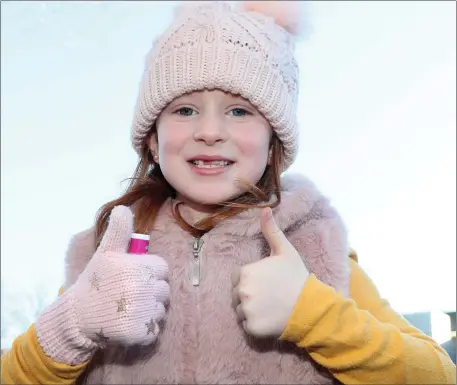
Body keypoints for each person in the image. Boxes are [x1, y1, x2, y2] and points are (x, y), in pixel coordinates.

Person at [1, 1, 455, 384]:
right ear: (153, 141)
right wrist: (71, 328)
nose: (211, 131)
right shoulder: (104, 256)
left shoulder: (312, 246)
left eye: (239, 110)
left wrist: (314, 315)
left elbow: (438, 373)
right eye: (184, 109)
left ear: (274, 141)